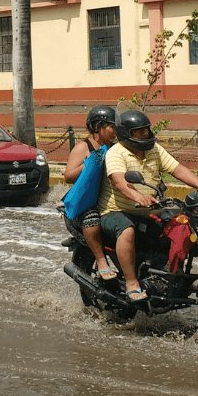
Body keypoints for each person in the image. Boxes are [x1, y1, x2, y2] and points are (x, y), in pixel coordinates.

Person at [98, 110, 198, 303]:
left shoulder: (154, 149)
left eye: (146, 131)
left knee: (181, 225)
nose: (144, 135)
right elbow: (120, 182)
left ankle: (172, 274)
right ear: (125, 133)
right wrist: (138, 196)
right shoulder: (116, 153)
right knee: (127, 230)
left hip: (150, 210)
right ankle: (132, 282)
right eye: (138, 132)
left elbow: (178, 169)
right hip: (116, 211)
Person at [63, 105, 118, 281]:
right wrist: (89, 163)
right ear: (97, 127)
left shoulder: (115, 148)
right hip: (85, 205)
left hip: (109, 199)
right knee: (91, 217)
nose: (115, 130)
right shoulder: (83, 147)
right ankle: (101, 261)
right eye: (112, 126)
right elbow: (68, 176)